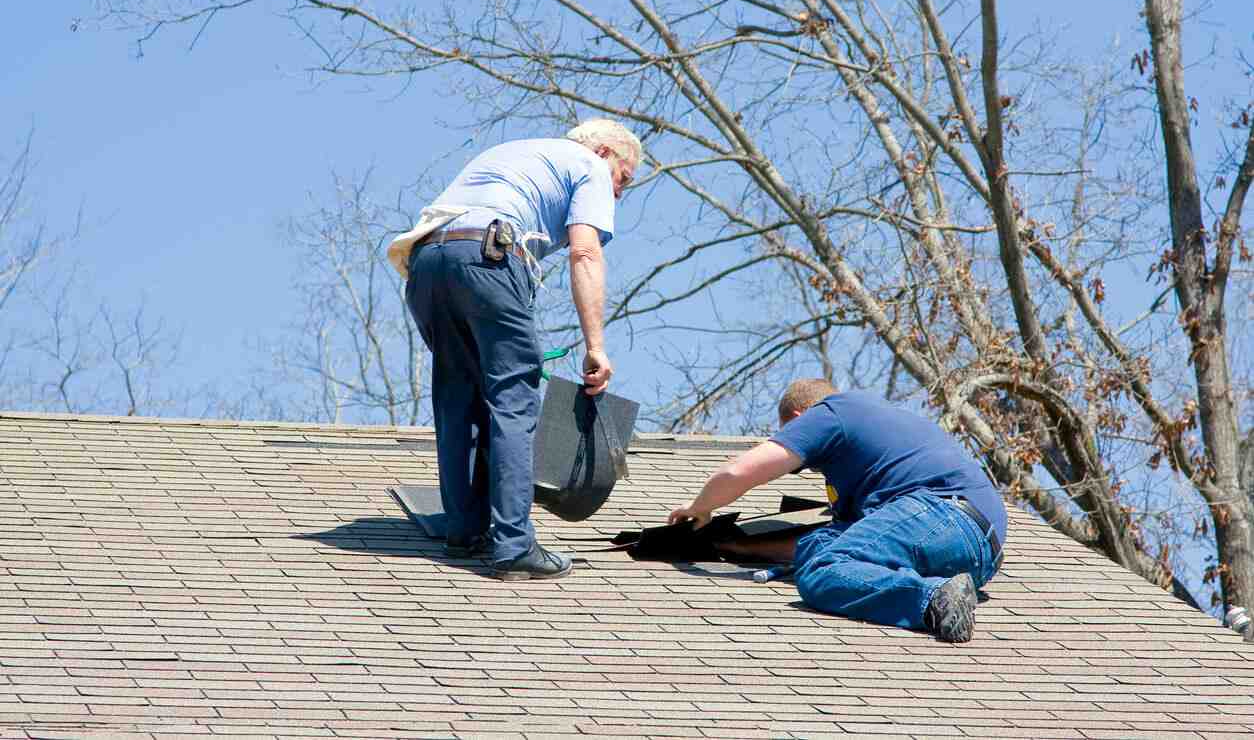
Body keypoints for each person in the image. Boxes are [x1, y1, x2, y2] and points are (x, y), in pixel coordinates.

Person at [391, 119, 640, 581]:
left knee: (457, 399)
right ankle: (514, 545)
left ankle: (465, 531)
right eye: (624, 179)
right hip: (488, 256)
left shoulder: (517, 153)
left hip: (426, 263)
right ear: (606, 152)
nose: (620, 193)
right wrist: (596, 347)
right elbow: (585, 253)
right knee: (513, 399)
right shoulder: (588, 164)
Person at [668, 378, 1006, 642]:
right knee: (823, 548)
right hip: (977, 553)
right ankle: (944, 590)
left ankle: (931, 597)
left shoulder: (830, 412)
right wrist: (736, 548)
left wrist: (699, 507)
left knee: (820, 572)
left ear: (799, 419)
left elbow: (740, 472)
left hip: (942, 513)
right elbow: (833, 544)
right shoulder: (880, 441)